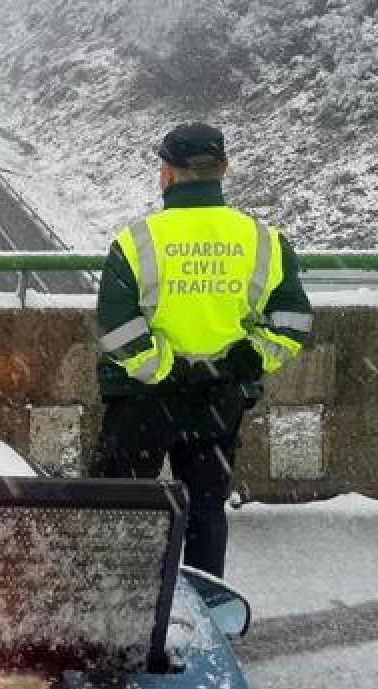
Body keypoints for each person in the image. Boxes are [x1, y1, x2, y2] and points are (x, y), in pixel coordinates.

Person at [92, 123, 313, 578]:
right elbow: (292, 320)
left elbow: (117, 327)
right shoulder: (264, 241)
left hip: (143, 402)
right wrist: (243, 362)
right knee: (205, 513)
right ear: (223, 169)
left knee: (123, 508)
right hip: (218, 401)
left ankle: (120, 601)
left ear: (167, 174)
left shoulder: (137, 241)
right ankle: (209, 603)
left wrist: (167, 371)